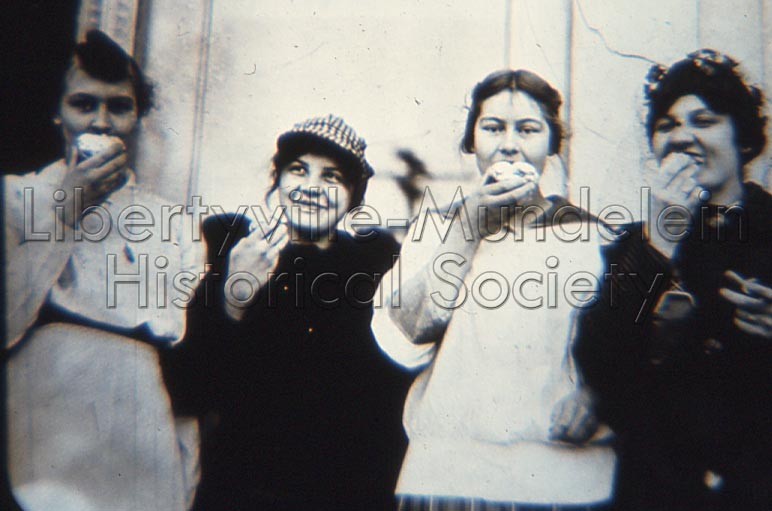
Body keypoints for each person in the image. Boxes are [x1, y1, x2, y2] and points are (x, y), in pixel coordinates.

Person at [371, 69, 615, 510]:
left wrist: (599, 395)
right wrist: (468, 227)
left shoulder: (592, 237)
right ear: (472, 142)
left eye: (528, 129)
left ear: (552, 143)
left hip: (563, 478)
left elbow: (623, 348)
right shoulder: (437, 228)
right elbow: (405, 340)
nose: (509, 144)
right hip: (449, 475)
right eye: (493, 128)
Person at [161, 114, 412, 510]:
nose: (312, 188)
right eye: (299, 170)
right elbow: (187, 390)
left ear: (354, 195)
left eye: (331, 177)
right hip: (244, 489)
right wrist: (233, 296)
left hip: (346, 493)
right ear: (277, 178)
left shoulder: (373, 265)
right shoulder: (229, 245)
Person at [4, 30, 200, 511]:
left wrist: (183, 467)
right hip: (48, 422)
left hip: (139, 432)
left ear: (138, 119)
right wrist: (65, 213)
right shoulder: (16, 199)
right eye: (83, 104)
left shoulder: (173, 223)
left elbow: (179, 362)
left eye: (120, 106)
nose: (102, 121)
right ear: (58, 113)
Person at [574, 49, 772, 511]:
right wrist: (659, 241)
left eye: (704, 121)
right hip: (656, 490)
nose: (682, 137)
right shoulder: (635, 244)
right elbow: (598, 360)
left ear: (742, 140)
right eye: (667, 125)